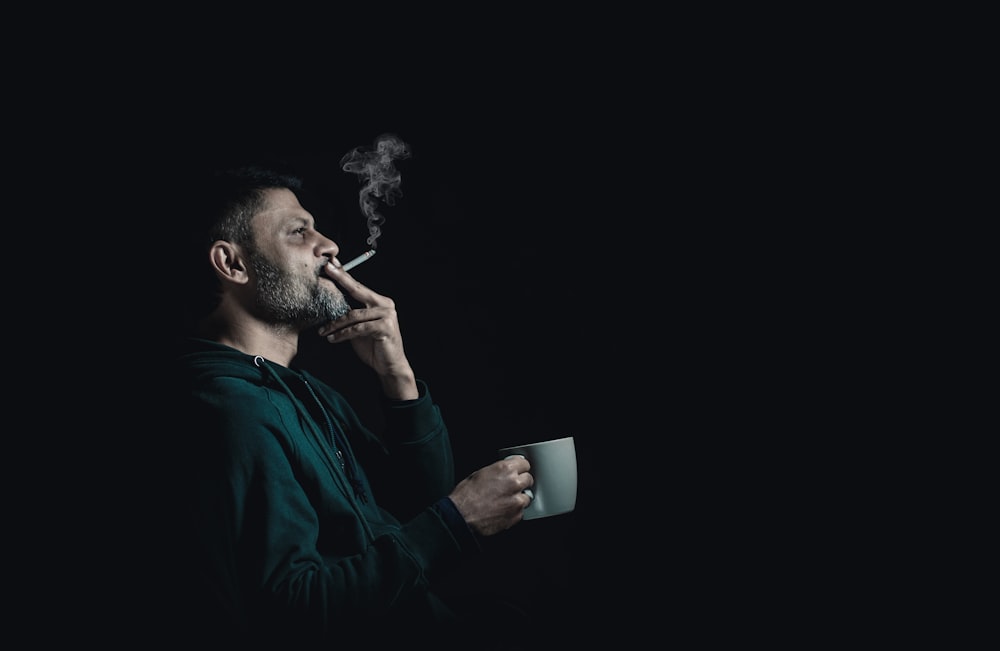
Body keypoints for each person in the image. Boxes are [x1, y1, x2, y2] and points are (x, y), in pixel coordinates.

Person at [161, 162, 536, 648]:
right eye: (299, 233)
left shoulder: (304, 392)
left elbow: (413, 506)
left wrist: (395, 373)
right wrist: (456, 522)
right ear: (233, 264)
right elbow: (293, 612)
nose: (330, 246)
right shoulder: (232, 411)